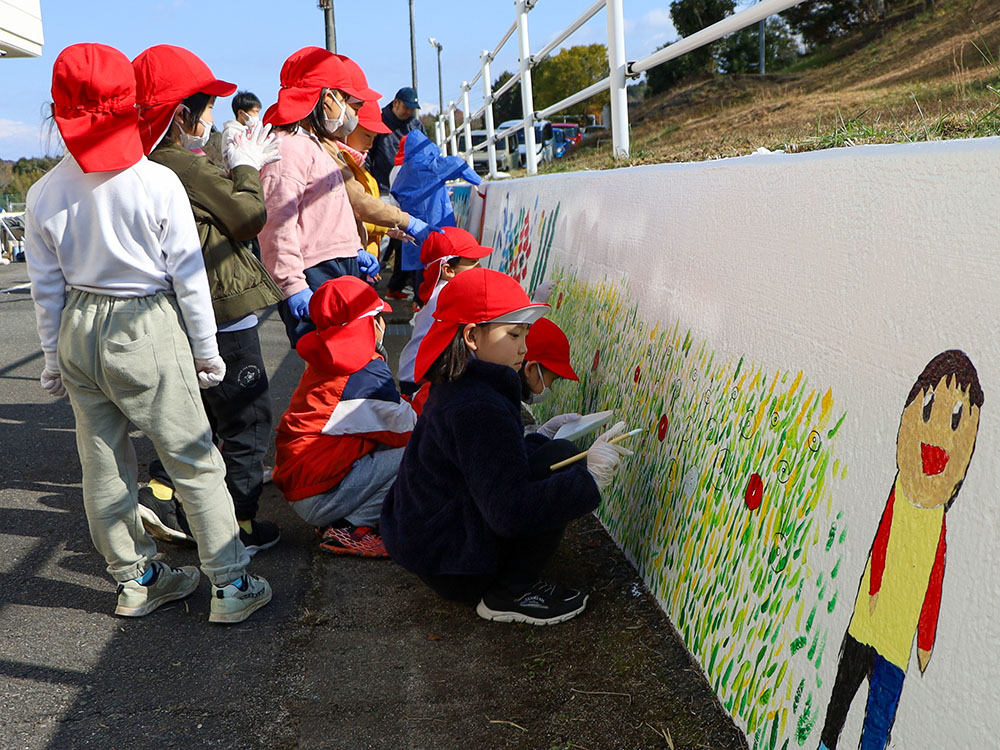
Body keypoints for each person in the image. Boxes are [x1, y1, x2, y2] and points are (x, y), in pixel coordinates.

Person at [24, 43, 270, 623]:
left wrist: (52, 360)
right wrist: (208, 353)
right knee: (192, 457)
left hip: (77, 329)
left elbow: (45, 288)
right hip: (145, 323)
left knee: (104, 464)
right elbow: (188, 279)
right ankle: (230, 586)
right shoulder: (156, 182)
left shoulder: (42, 194)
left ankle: (136, 579)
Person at [380, 268, 633, 625]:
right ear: (472, 336)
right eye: (513, 334)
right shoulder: (479, 407)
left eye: (525, 334)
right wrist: (589, 480)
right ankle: (510, 592)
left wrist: (539, 438)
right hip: (454, 565)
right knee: (567, 466)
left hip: (432, 546)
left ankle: (506, 582)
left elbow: (489, 463)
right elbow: (510, 511)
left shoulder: (463, 384)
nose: (524, 347)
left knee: (557, 455)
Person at [133, 44, 284, 555]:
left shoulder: (141, 162)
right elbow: (245, 216)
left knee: (186, 415)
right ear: (181, 116)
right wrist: (246, 167)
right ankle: (239, 525)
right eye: (208, 110)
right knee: (246, 418)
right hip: (221, 310)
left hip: (170, 313)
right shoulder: (183, 165)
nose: (212, 120)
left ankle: (158, 492)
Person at [818, 351, 982, 750]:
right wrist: (873, 591)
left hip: (898, 639)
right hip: (866, 621)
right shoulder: (900, 495)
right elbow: (882, 542)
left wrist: (925, 639)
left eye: (957, 420)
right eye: (928, 409)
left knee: (878, 722)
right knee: (841, 699)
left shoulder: (935, 523)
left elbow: (935, 580)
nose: (939, 435)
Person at [259, 47, 434, 347]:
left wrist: (353, 250)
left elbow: (334, 211)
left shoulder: (314, 145)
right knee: (332, 363)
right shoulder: (287, 148)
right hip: (314, 272)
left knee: (347, 361)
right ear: (327, 99)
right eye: (349, 102)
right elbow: (277, 224)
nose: (353, 114)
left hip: (337, 266)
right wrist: (293, 284)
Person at [272, 277, 416, 556]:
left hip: (305, 482)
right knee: (418, 450)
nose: (382, 323)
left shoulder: (327, 359)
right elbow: (409, 428)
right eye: (378, 316)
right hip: (318, 494)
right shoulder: (362, 377)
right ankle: (350, 527)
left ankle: (340, 516)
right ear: (367, 325)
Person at [397, 226, 492, 396]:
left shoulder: (441, 289)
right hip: (421, 379)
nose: (480, 267)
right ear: (448, 269)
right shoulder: (450, 294)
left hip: (416, 373)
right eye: (472, 262)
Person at [390, 130, 482, 305]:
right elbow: (455, 164)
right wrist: (477, 181)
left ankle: (420, 305)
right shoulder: (430, 164)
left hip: (413, 229)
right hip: (436, 224)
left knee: (420, 271)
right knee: (441, 268)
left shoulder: (404, 171)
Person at [367, 87, 426, 301]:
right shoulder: (379, 122)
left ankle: (394, 284)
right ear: (396, 103)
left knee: (404, 236)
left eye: (413, 109)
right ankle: (371, 282)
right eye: (407, 107)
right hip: (382, 187)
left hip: (409, 191)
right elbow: (368, 154)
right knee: (383, 235)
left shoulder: (415, 125)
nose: (409, 112)